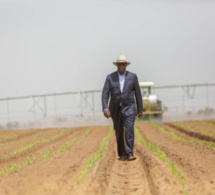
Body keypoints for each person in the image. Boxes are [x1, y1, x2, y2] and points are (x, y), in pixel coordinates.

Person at [101, 55, 143, 161]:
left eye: (123, 64)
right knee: (118, 131)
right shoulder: (110, 77)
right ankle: (122, 154)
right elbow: (105, 94)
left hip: (129, 108)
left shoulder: (133, 77)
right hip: (115, 109)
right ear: (116, 66)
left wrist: (140, 109)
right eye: (119, 64)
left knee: (129, 130)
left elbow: (138, 93)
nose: (121, 66)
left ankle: (129, 153)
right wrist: (105, 108)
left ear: (126, 65)